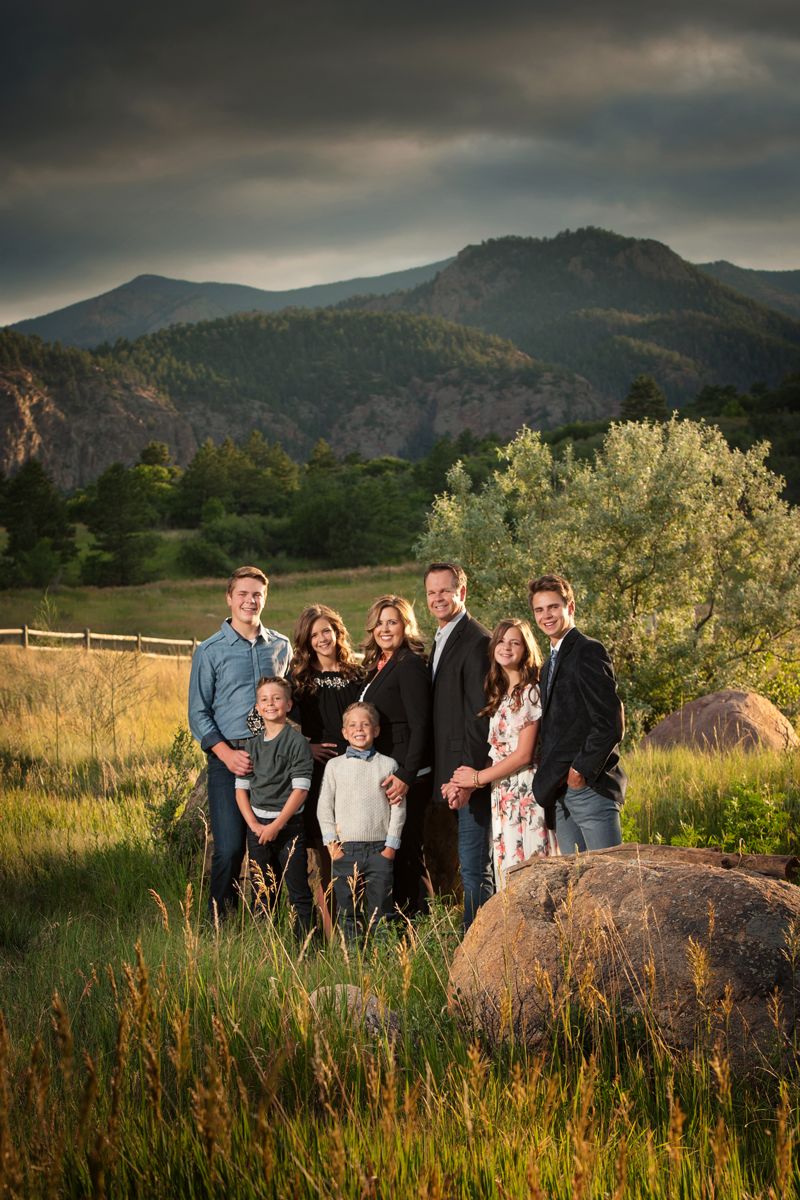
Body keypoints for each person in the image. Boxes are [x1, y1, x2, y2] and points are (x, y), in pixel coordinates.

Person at [188, 565, 292, 920]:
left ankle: (267, 925)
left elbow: (286, 702)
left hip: (271, 759)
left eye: (257, 594)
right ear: (229, 598)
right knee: (230, 847)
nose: (250, 601)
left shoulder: (281, 646)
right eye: (243, 594)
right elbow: (198, 713)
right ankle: (220, 924)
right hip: (228, 759)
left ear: (265, 598)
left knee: (268, 843)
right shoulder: (210, 651)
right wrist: (226, 754)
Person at [450, 619, 557, 885]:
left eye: (514, 642)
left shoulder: (530, 692)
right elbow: (496, 751)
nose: (506, 647)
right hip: (502, 793)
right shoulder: (500, 694)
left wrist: (477, 779)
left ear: (526, 649)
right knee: (507, 869)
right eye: (501, 641)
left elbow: (524, 755)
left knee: (531, 872)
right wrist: (463, 783)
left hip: (526, 792)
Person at [529, 573, 627, 854]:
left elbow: (610, 723)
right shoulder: (549, 664)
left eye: (553, 607)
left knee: (608, 881)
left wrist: (579, 772)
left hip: (589, 788)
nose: (546, 615)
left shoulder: (588, 650)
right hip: (559, 794)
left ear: (569, 608)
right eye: (539, 609)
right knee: (575, 886)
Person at [285, 605, 365, 927]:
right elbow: (262, 715)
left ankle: (360, 922)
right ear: (306, 640)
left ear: (337, 632)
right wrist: (305, 744)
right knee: (325, 848)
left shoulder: (357, 674)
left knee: (357, 841)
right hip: (320, 774)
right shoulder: (300, 679)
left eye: (326, 632)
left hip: (357, 771)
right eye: (314, 634)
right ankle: (332, 928)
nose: (321, 639)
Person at [424, 561, 493, 930]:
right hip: (444, 775)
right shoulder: (441, 637)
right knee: (461, 868)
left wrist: (467, 777)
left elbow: (478, 716)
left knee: (474, 867)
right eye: (431, 592)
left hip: (466, 777)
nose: (438, 598)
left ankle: (478, 950)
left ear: (461, 593)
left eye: (445, 591)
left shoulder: (477, 640)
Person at [359, 594, 432, 919]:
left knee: (405, 852)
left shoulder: (409, 664)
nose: (385, 629)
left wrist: (406, 774)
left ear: (405, 625)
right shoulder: (380, 664)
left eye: (392, 622)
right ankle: (396, 923)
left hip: (406, 776)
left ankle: (414, 924)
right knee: (395, 850)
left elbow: (421, 725)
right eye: (380, 623)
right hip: (386, 773)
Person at [317, 702, 406, 942]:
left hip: (379, 848)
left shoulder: (388, 765)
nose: (359, 729)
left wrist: (390, 847)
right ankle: (353, 962)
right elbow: (324, 806)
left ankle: (382, 961)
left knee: (381, 912)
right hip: (345, 850)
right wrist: (331, 845)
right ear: (344, 732)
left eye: (365, 724)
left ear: (376, 730)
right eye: (352, 725)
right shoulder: (335, 766)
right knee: (347, 911)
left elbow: (398, 807)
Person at [234, 676, 315, 937]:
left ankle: (308, 948)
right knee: (262, 890)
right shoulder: (252, 745)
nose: (271, 703)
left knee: (298, 890)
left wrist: (276, 826)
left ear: (289, 705)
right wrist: (255, 825)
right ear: (257, 707)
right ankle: (264, 945)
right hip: (257, 828)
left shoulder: (297, 743)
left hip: (289, 827)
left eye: (277, 698)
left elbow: (300, 790)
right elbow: (241, 791)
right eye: (264, 699)